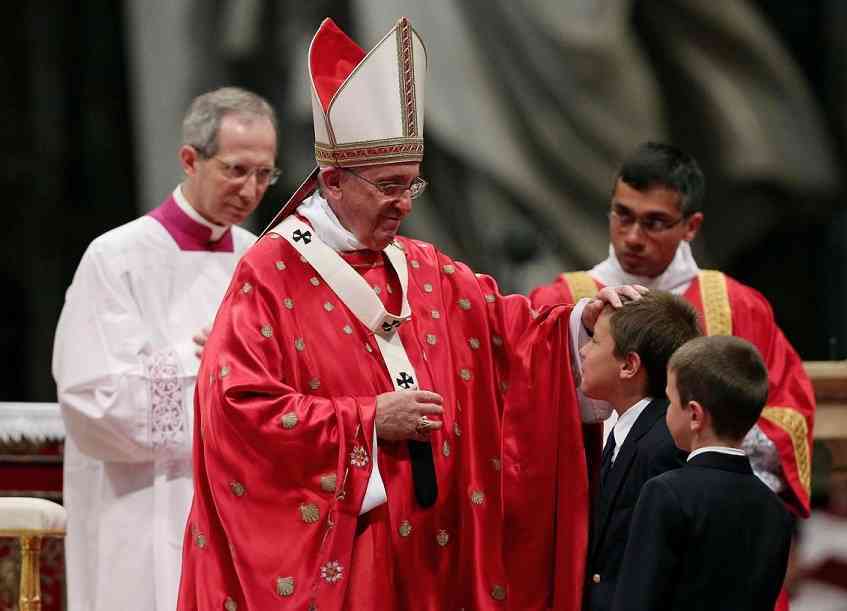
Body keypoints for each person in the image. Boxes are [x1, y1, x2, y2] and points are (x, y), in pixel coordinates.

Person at [175, 17, 637, 611]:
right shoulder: (271, 272)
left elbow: (510, 335)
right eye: (389, 186)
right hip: (350, 551)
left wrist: (584, 323)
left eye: (412, 187)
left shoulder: (424, 266)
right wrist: (367, 419)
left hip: (439, 556)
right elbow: (236, 408)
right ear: (335, 180)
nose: (402, 205)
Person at [52, 86, 279, 611]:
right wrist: (201, 363)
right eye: (236, 170)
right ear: (189, 160)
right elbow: (93, 399)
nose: (250, 191)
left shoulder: (261, 262)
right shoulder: (115, 258)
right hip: (145, 509)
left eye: (265, 174)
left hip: (245, 510)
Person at [530, 142, 815, 524]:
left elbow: (788, 413)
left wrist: (704, 446)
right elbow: (522, 408)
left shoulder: (737, 307)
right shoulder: (562, 303)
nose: (632, 236)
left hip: (706, 520)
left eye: (654, 222)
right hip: (592, 517)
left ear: (691, 226)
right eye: (622, 215)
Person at [612, 336, 794, 611]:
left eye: (671, 402)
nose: (666, 414)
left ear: (695, 415)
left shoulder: (666, 493)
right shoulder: (775, 509)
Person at [579, 290, 701, 611]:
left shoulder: (664, 444)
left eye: (594, 342)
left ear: (629, 365)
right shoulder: (628, 433)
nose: (582, 350)